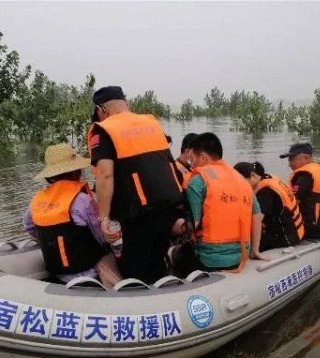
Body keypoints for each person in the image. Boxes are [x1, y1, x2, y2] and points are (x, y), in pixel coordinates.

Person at [89, 86, 183, 283]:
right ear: (126, 102)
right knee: (156, 260)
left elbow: (105, 175)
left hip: (136, 214)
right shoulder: (151, 122)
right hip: (167, 206)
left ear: (101, 109)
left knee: (135, 271)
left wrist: (104, 217)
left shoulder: (104, 129)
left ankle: (144, 306)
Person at [23, 144, 121, 287]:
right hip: (89, 271)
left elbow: (29, 226)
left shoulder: (37, 200)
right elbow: (101, 237)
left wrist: (51, 240)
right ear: (77, 171)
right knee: (116, 251)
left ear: (50, 175)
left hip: (58, 272)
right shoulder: (83, 200)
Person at [174, 132, 267, 274]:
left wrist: (176, 226)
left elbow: (194, 224)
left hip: (209, 260)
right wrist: (255, 250)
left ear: (203, 157)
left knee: (173, 253)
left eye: (193, 159)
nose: (192, 164)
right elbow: (257, 215)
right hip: (241, 255)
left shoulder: (198, 181)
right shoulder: (240, 178)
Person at [234, 161, 304, 251]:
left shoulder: (265, 191)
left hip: (285, 237)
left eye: (241, 182)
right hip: (295, 231)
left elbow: (256, 221)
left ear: (252, 175)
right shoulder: (269, 178)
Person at [280, 143, 320, 239]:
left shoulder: (304, 175)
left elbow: (292, 203)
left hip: (309, 229)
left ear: (306, 158)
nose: (289, 163)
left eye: (292, 159)